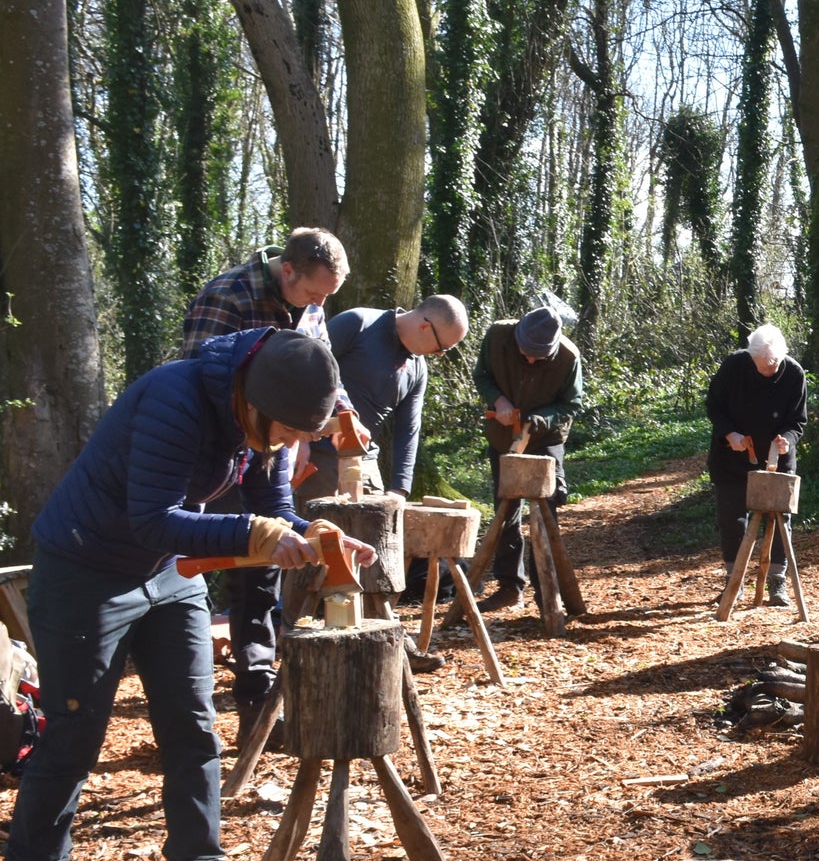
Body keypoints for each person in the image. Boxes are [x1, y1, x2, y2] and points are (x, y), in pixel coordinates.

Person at [4, 329, 373, 861]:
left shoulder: (269, 412)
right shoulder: (173, 399)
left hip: (168, 576)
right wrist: (256, 538)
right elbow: (153, 520)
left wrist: (311, 533)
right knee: (74, 729)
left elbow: (271, 497)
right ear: (252, 402)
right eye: (284, 431)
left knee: (192, 725)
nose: (288, 444)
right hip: (85, 571)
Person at [182, 228, 355, 741]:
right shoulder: (228, 296)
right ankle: (197, 713)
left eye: (327, 296)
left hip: (270, 447)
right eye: (314, 293)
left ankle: (258, 698)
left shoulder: (310, 303)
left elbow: (320, 366)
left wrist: (340, 410)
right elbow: (197, 381)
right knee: (231, 563)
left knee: (265, 569)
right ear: (287, 271)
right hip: (218, 455)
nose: (319, 304)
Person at [304, 296, 470, 502]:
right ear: (425, 327)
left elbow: (408, 428)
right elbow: (306, 371)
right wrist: (299, 440)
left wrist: (400, 488)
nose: (439, 355)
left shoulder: (418, 369)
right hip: (317, 455)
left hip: (365, 462)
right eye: (441, 347)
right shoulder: (358, 323)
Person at [471, 307, 583, 611]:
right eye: (526, 353)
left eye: (540, 356)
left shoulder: (568, 357)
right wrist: (499, 400)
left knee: (546, 510)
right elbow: (482, 376)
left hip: (546, 439)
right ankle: (509, 586)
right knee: (505, 511)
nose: (532, 360)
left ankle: (547, 590)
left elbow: (572, 403)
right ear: (518, 335)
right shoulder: (497, 336)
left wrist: (542, 419)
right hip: (503, 438)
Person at [705, 325, 808, 606]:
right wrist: (730, 434)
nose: (767, 370)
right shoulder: (734, 366)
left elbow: (798, 421)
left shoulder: (795, 373)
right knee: (732, 520)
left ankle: (777, 583)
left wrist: (787, 439)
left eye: (773, 364)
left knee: (780, 520)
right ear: (750, 357)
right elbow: (714, 405)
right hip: (732, 457)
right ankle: (733, 582)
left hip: (777, 459)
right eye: (761, 365)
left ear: (783, 356)